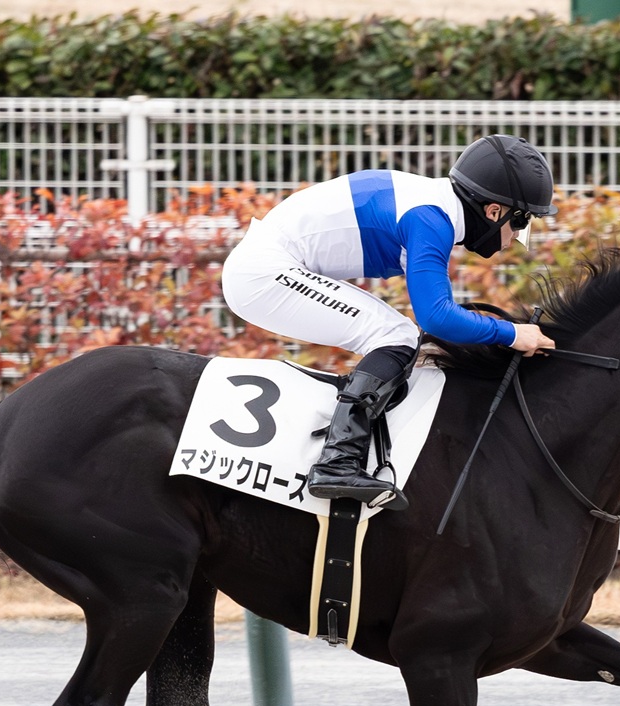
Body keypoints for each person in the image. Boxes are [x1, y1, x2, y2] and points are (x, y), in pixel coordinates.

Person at [220, 134, 558, 512]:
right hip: (263, 273)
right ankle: (337, 463)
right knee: (395, 335)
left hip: (267, 265)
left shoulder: (435, 206)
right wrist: (512, 333)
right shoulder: (431, 218)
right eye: (521, 222)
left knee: (398, 335)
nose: (515, 238)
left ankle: (343, 455)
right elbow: (436, 316)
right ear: (494, 211)